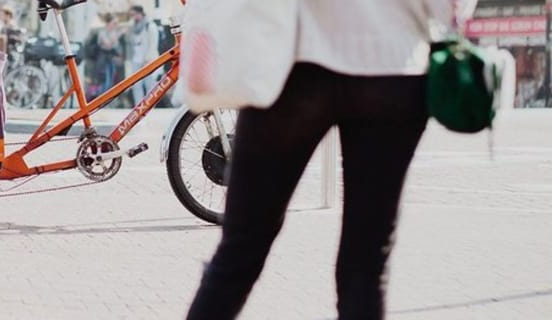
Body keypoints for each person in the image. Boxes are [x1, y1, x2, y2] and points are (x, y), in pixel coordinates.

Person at [186, 1, 477, 319]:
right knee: (365, 266)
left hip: (291, 61)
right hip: (392, 61)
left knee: (240, 251)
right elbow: (449, 8)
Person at [124, 5, 158, 105]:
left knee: (149, 83)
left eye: (134, 14)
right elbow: (129, 43)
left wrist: (149, 58)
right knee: (136, 84)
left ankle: (150, 104)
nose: (132, 17)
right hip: (135, 58)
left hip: (147, 59)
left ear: (140, 13)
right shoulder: (132, 27)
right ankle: (139, 105)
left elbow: (153, 43)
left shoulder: (149, 26)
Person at [95, 13, 123, 94]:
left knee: (110, 81)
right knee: (105, 81)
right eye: (114, 23)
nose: (115, 25)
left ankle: (106, 102)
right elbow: (108, 45)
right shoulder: (102, 32)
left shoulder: (114, 32)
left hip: (112, 59)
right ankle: (100, 102)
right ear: (108, 22)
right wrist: (117, 36)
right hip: (103, 60)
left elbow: (116, 47)